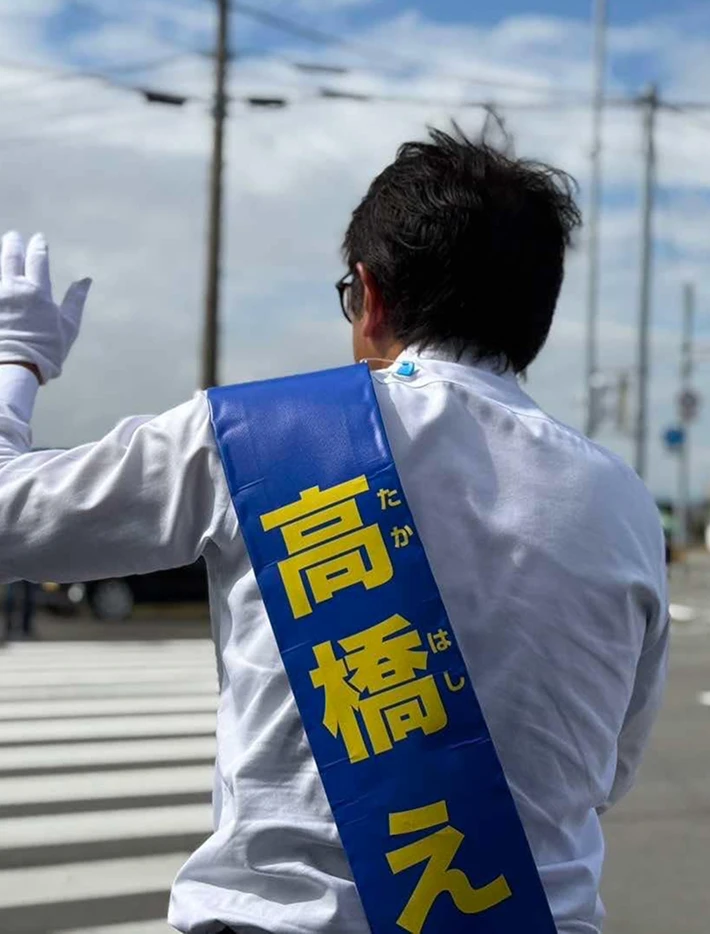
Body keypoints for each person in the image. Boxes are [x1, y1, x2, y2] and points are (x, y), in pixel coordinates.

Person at [0, 128, 668, 934]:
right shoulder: (624, 504)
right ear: (536, 319)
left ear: (369, 294)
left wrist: (17, 363)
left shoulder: (258, 437)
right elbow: (609, 769)